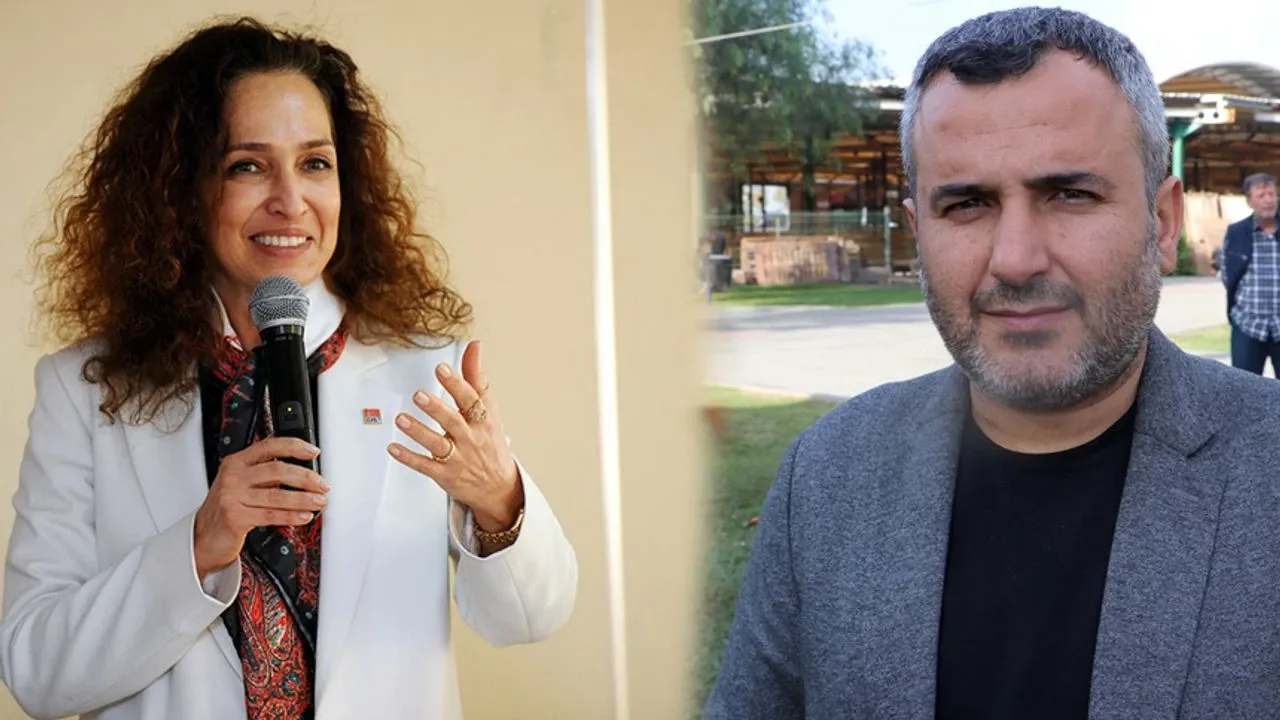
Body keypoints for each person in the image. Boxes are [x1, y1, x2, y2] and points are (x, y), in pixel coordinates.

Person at [704, 7, 1280, 720]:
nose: (1015, 259)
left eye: (1069, 194)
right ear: (919, 234)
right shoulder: (825, 478)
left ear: (1162, 223)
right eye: (968, 204)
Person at [1, 17, 577, 720]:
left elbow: (533, 616)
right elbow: (35, 670)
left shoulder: (428, 373)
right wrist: (200, 544)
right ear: (182, 189)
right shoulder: (82, 389)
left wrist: (498, 499)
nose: (290, 200)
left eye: (315, 164)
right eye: (247, 165)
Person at [1222, 173, 1280, 375]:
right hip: (1248, 325)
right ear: (1249, 201)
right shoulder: (1236, 232)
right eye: (1261, 195)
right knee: (1244, 387)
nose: (1268, 200)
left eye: (1272, 194)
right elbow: (1228, 274)